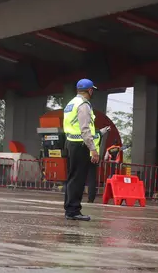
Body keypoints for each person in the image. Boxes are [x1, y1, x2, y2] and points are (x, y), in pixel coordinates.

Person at [62, 79, 100, 221]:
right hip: (80, 145)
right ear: (90, 90)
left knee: (72, 178)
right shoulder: (83, 105)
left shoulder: (71, 103)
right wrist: (93, 149)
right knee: (78, 178)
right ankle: (73, 210)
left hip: (70, 142)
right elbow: (85, 129)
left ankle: (69, 209)